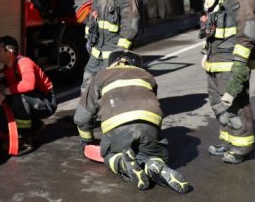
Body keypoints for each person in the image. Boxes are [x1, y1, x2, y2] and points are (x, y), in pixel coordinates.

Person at [74, 50, 190, 193]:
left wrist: (86, 141)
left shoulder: (100, 76)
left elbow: (82, 117)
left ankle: (122, 163)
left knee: (109, 154)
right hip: (149, 124)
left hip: (117, 126)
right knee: (151, 153)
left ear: (112, 64)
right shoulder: (147, 76)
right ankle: (154, 163)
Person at [190, 0, 255, 164]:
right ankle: (229, 141)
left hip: (229, 62)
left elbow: (248, 27)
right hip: (215, 60)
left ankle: (242, 146)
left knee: (235, 104)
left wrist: (239, 63)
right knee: (218, 104)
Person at [82, 0, 140, 92]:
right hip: (97, 53)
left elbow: (130, 27)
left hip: (114, 54)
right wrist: (89, 38)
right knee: (87, 83)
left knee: (109, 89)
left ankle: (107, 113)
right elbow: (92, 18)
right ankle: (88, 113)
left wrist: (120, 54)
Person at [0, 36, 57, 151]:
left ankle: (25, 139)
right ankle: (34, 126)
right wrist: (0, 89)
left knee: (19, 100)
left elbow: (28, 85)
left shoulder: (25, 62)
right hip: (34, 98)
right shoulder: (7, 68)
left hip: (47, 101)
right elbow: (15, 87)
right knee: (2, 100)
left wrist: (6, 91)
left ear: (10, 51)